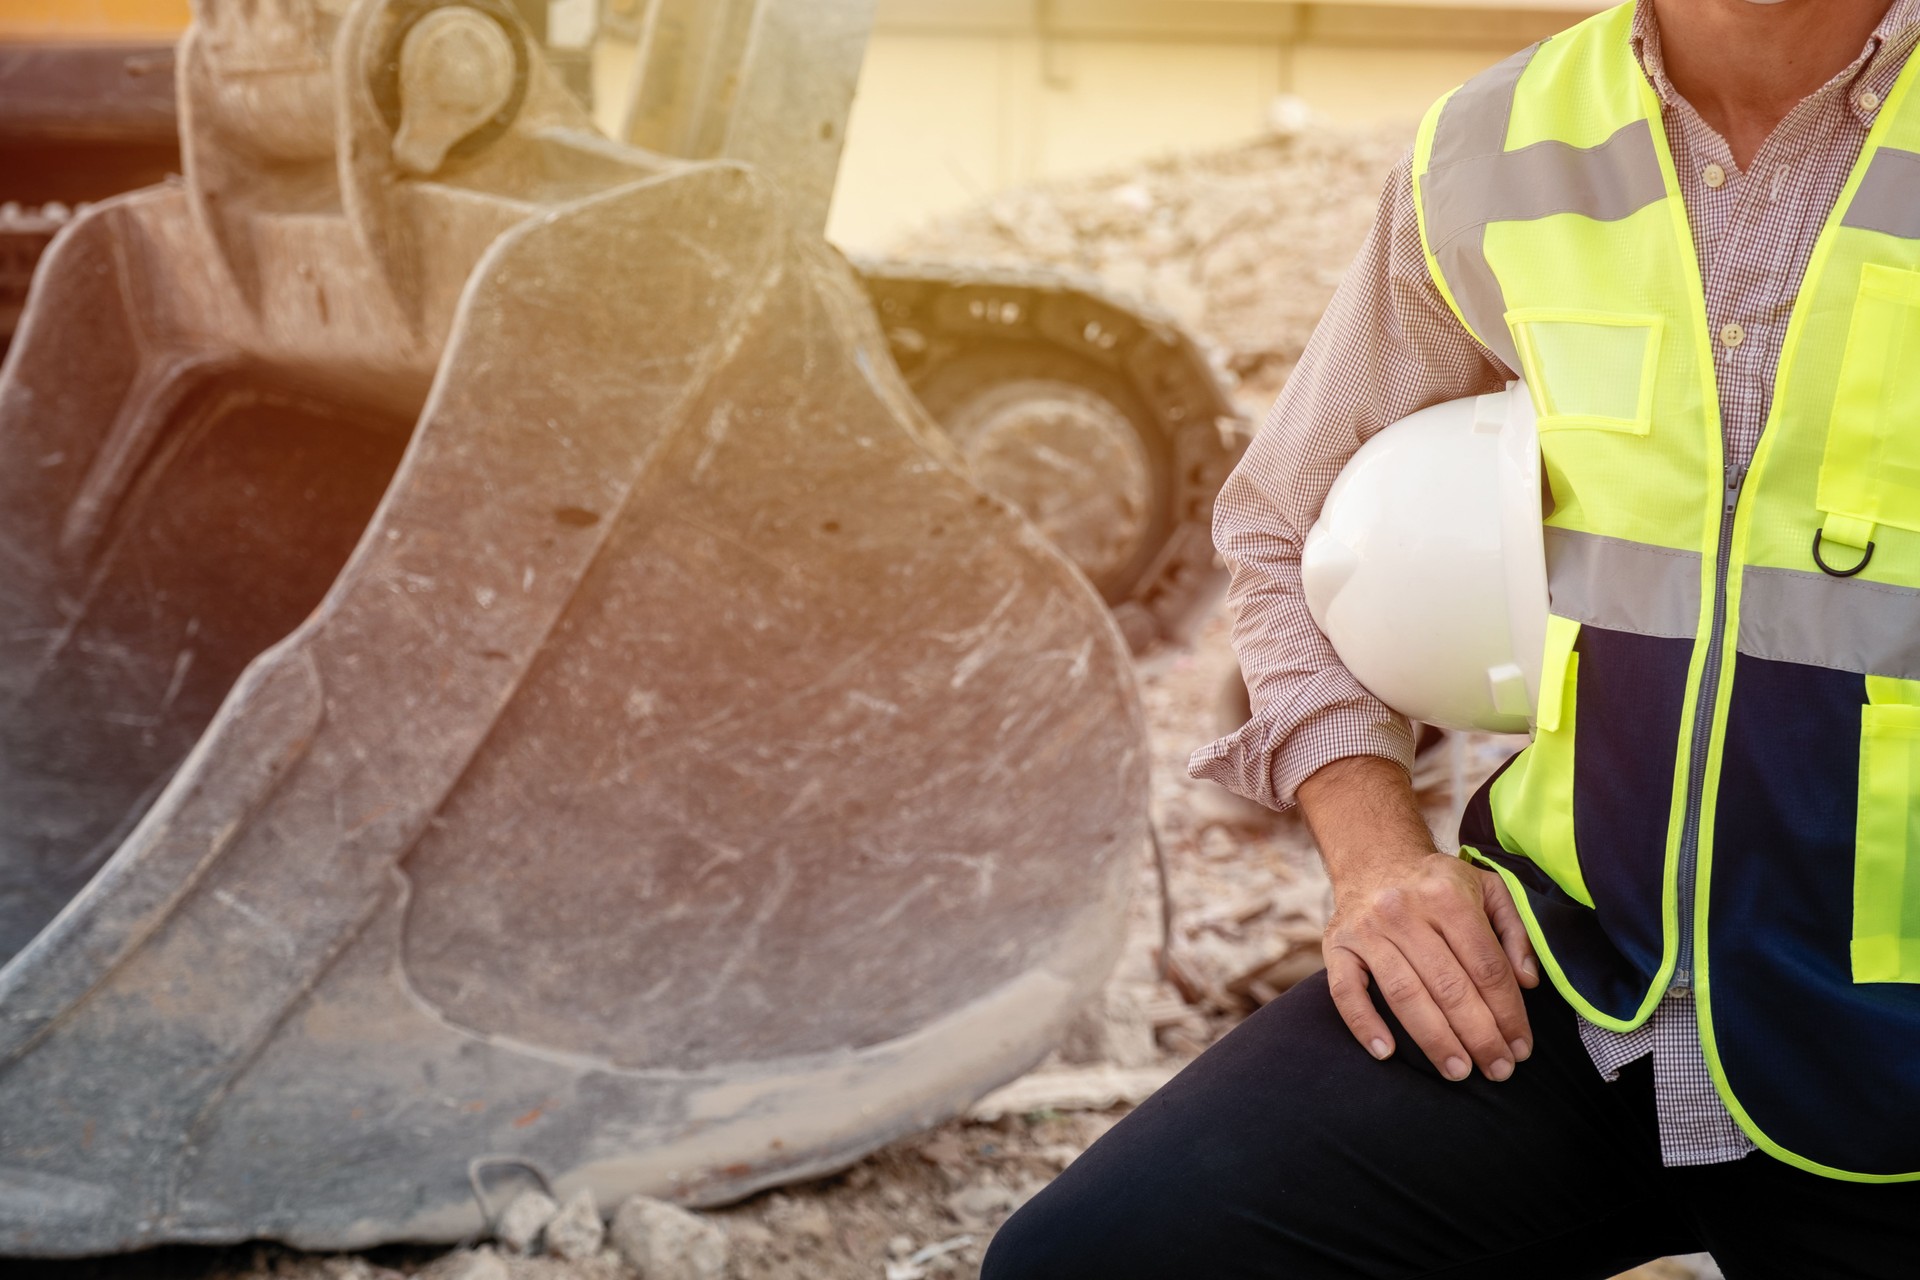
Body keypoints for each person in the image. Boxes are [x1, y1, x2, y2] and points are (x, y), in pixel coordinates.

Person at [981, 1, 1920, 1276]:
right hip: (1575, 980)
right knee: (1094, 1261)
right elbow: (1279, 526)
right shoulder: (1496, 146)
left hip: (1887, 1040)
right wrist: (1377, 859)